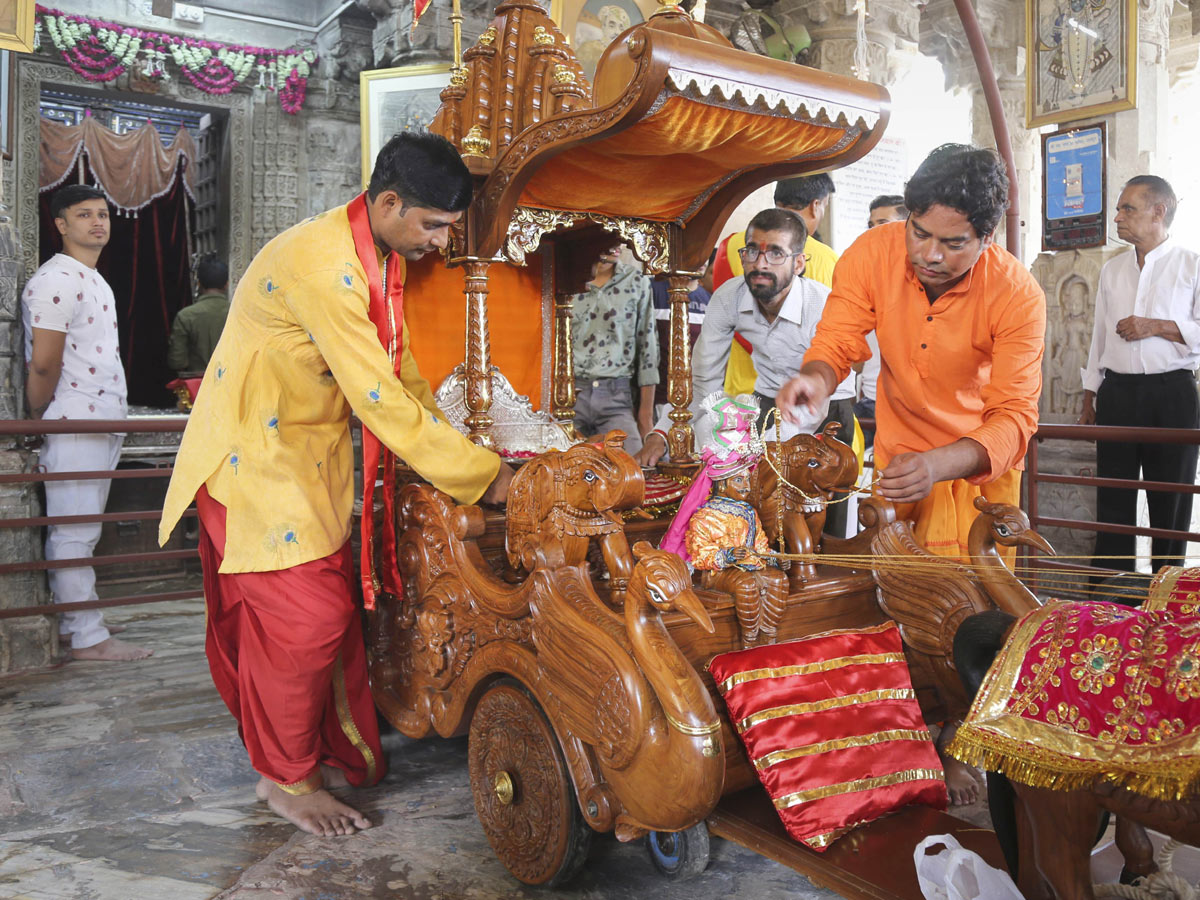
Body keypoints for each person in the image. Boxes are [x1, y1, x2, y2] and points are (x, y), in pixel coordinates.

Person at [158, 132, 515, 838]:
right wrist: (486, 478)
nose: (441, 242)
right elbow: (377, 401)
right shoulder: (325, 265)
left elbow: (399, 371)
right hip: (253, 460)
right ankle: (287, 782)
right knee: (306, 623)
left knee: (318, 616)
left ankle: (286, 756)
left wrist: (463, 447)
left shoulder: (374, 255)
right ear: (388, 203)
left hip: (302, 461)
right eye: (435, 225)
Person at [777, 145, 1045, 805]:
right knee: (899, 605)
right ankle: (910, 738)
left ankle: (958, 740)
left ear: (985, 239)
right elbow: (839, 342)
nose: (927, 254)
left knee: (972, 619)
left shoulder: (1016, 293)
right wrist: (813, 381)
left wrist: (943, 464)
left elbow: (1015, 419)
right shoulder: (873, 253)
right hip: (902, 465)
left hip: (977, 474)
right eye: (918, 233)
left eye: (951, 244)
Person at [22, 185, 153, 663]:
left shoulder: (94, 279)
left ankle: (75, 617)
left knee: (82, 530)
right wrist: (41, 415)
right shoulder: (56, 279)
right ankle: (87, 636)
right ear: (61, 225)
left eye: (103, 214)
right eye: (84, 215)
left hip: (99, 419)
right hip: (73, 420)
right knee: (74, 530)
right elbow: (43, 364)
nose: (98, 222)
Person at [635, 208, 855, 479]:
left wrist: (763, 454)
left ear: (799, 263)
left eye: (775, 253)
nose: (760, 264)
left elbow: (815, 403)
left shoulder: (822, 305)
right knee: (747, 499)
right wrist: (664, 433)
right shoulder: (730, 297)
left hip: (827, 406)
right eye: (752, 251)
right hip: (767, 399)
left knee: (820, 510)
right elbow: (703, 380)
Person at [1078, 175, 1200, 576]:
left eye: (1127, 208)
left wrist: (1157, 326)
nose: (1117, 218)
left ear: (1158, 212)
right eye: (1118, 208)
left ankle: (1168, 595)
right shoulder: (1112, 270)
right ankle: (1113, 595)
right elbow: (1099, 334)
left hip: (1173, 394)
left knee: (1171, 499)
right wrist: (1089, 394)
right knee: (1114, 498)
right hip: (1118, 393)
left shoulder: (1191, 264)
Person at [661, 392, 788, 649]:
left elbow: (760, 545)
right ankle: (749, 640)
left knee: (778, 580)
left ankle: (770, 636)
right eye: (738, 480)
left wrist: (773, 557)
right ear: (721, 485)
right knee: (747, 585)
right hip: (718, 573)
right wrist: (728, 556)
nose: (744, 486)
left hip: (751, 566)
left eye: (746, 480)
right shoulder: (705, 516)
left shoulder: (749, 513)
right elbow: (700, 554)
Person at [571, 242, 659, 454]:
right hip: (568, 395)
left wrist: (645, 418)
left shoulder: (636, 281)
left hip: (616, 397)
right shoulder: (566, 278)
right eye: (607, 238)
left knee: (633, 470)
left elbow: (648, 350)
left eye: (620, 239)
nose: (617, 245)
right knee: (560, 469)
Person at [857, 195, 909, 449]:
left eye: (883, 223)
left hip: (908, 406)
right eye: (871, 225)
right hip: (871, 400)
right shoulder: (865, 277)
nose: (873, 233)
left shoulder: (922, 279)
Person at [650, 253, 712, 418]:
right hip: (656, 399)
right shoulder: (651, 290)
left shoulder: (709, 301)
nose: (702, 259)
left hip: (695, 401)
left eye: (705, 253)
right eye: (697, 250)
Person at [167, 255, 231, 376]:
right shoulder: (239, 314)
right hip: (232, 384)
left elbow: (177, 361)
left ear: (199, 283)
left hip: (197, 387)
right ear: (227, 284)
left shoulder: (185, 316)